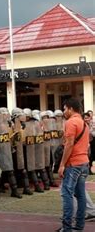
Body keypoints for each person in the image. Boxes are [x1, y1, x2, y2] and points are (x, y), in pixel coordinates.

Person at [57, 98, 90, 231]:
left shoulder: (71, 122)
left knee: (66, 194)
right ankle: (79, 226)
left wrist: (62, 165)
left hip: (73, 164)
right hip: (84, 163)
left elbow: (69, 144)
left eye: (65, 109)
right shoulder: (84, 123)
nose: (64, 112)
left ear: (70, 109)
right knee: (81, 195)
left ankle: (67, 228)